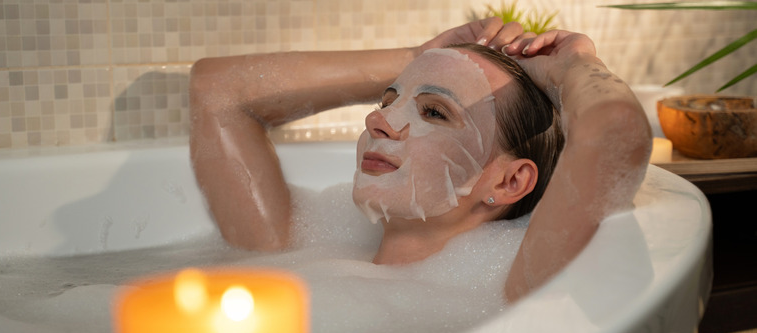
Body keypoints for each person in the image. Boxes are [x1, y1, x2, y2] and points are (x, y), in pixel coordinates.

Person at [188, 18, 652, 302]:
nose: (377, 119)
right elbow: (216, 89)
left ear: (509, 182)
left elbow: (615, 134)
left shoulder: (511, 289)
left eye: (434, 112)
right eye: (388, 100)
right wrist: (418, 56)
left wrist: (572, 67)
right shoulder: (286, 253)